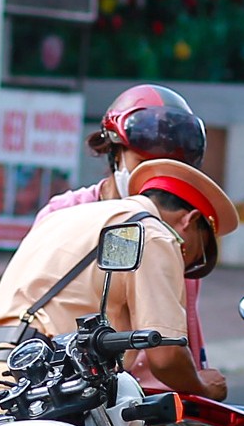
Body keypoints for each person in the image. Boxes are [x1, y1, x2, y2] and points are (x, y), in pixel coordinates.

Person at [0, 156, 230, 426]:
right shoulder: (154, 233)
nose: (185, 263)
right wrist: (204, 386)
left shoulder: (64, 218)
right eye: (196, 252)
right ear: (189, 221)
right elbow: (166, 356)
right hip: (40, 394)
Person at [34, 83, 215, 363]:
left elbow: (182, 334)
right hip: (70, 386)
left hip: (151, 396)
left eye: (169, 168)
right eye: (144, 163)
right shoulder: (64, 213)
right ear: (114, 153)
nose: (154, 177)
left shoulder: (178, 231)